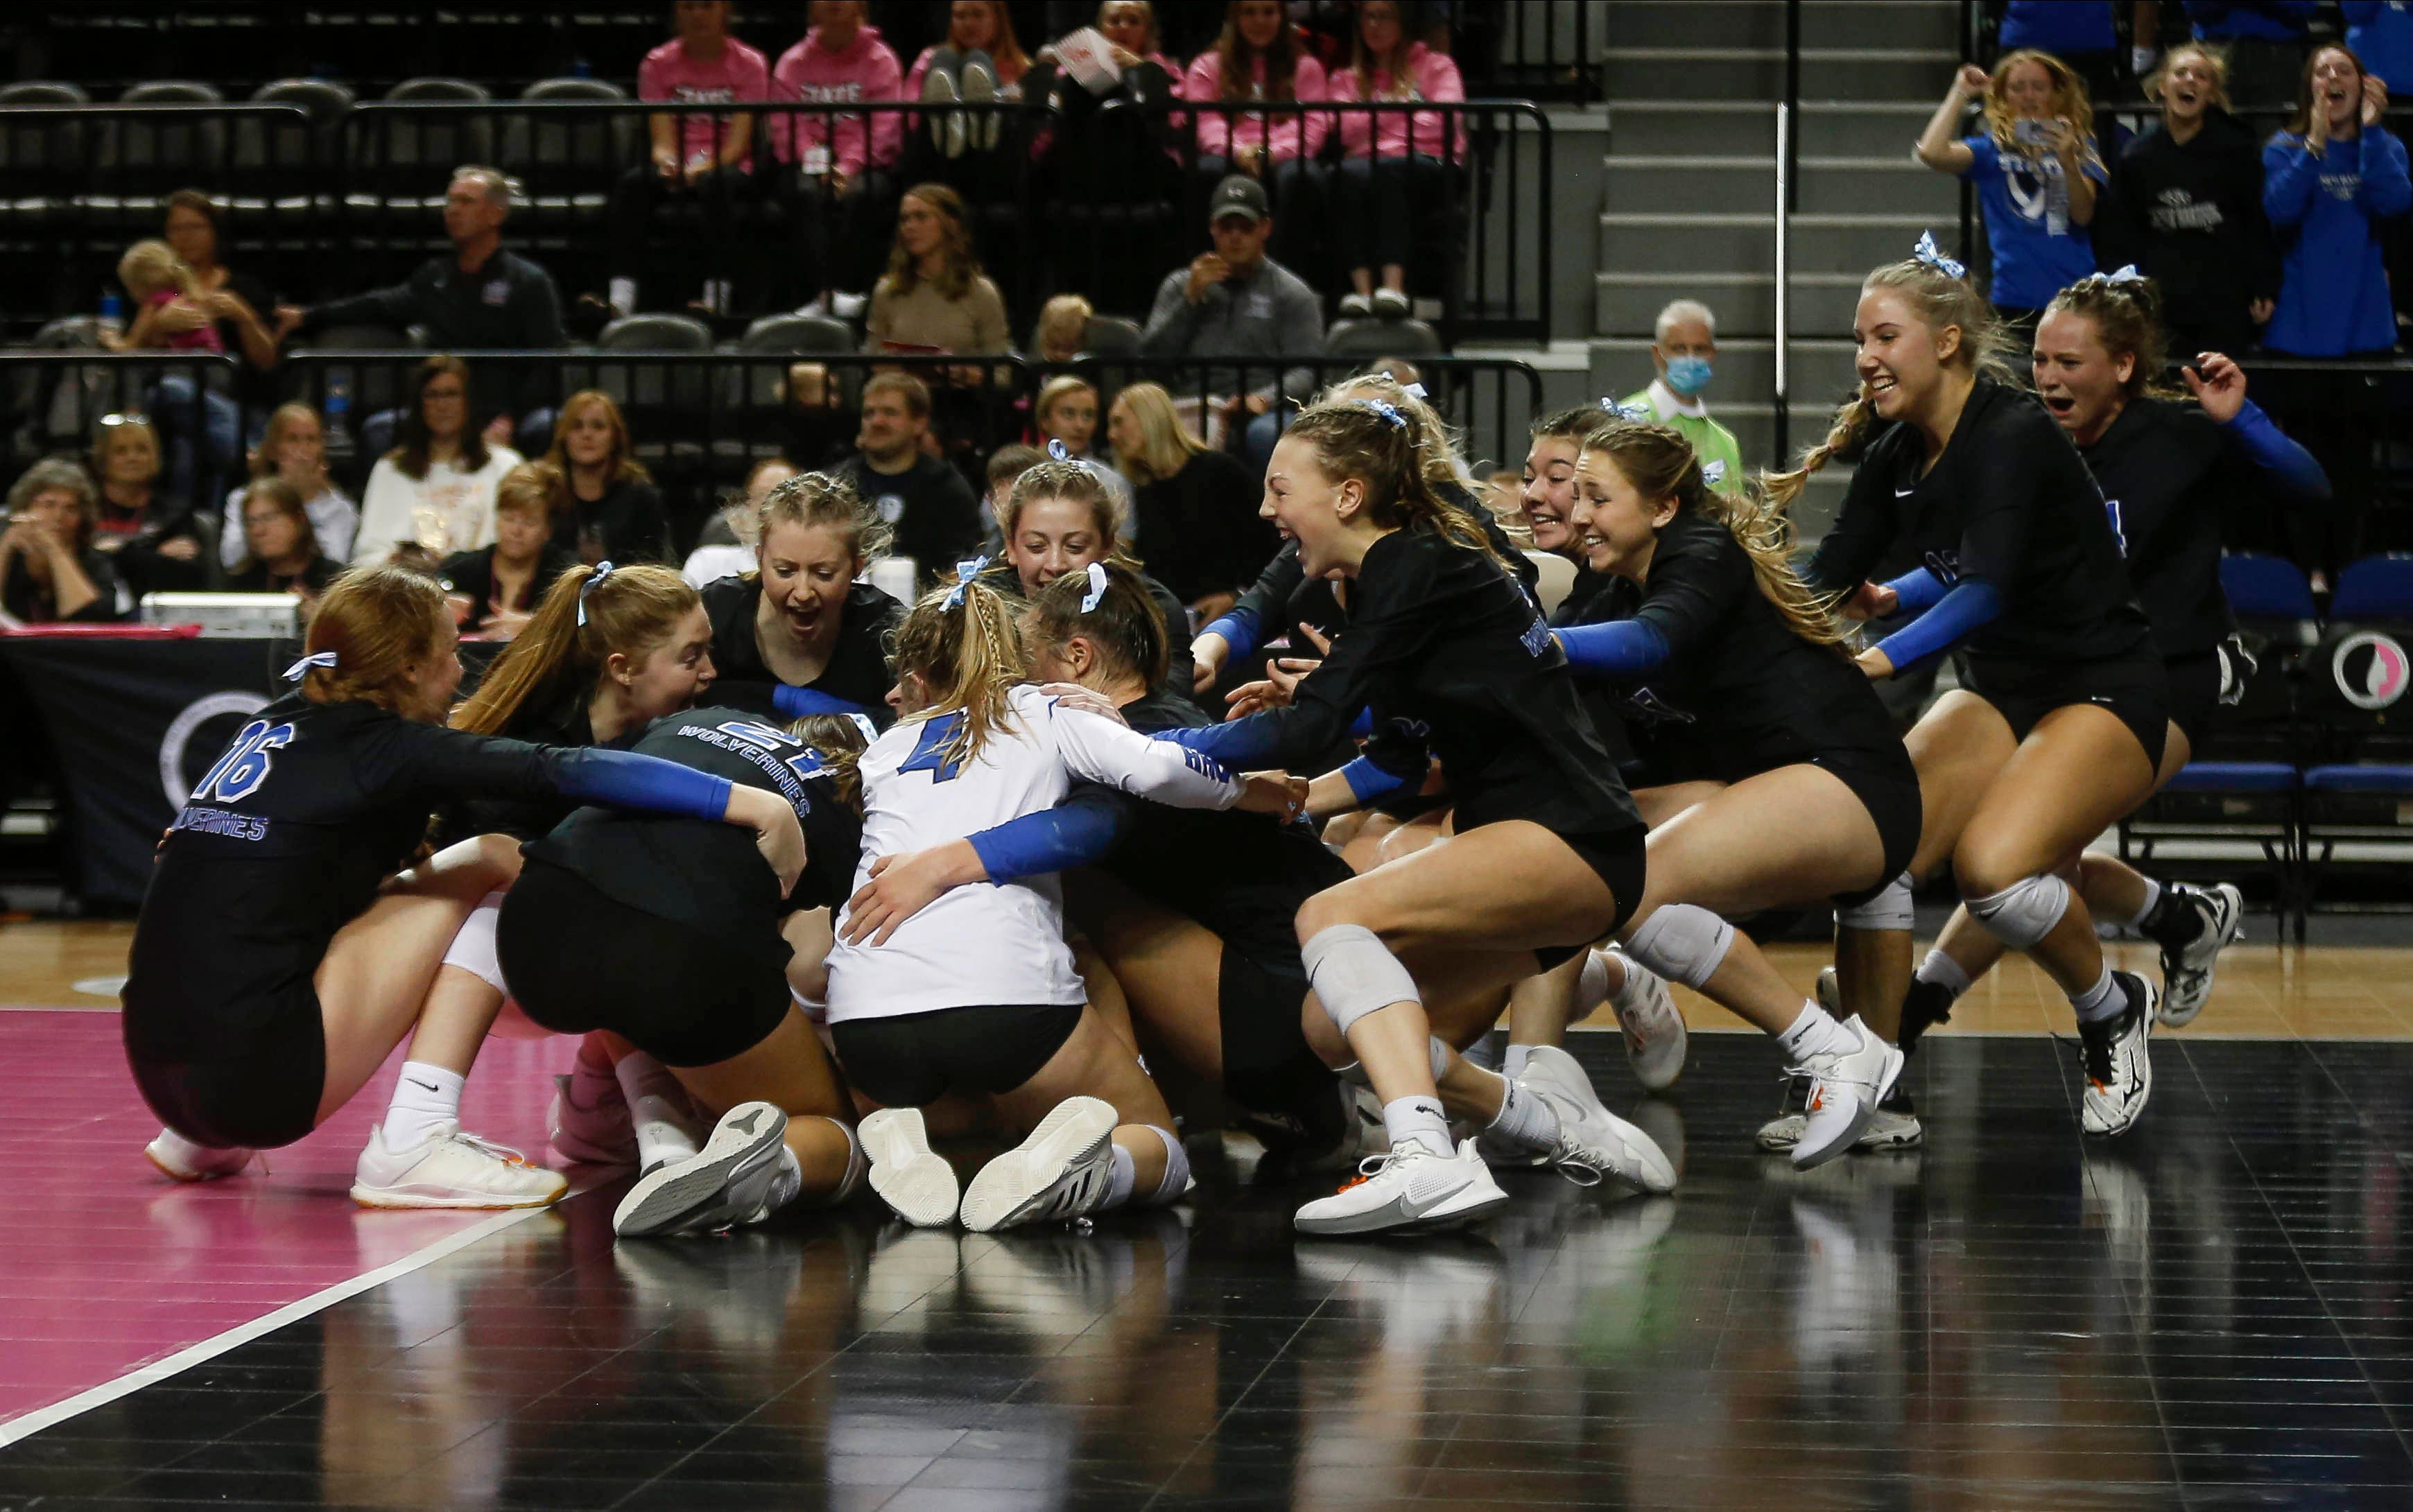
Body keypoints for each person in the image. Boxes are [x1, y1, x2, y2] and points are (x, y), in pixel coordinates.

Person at [1148, 398, 1675, 1236]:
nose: (1265, 510)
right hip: (1549, 847)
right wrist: (1288, 795)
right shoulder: (1388, 578)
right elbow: (1399, 752)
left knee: (1329, 912)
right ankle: (1539, 1120)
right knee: (1328, 1029)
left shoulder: (1414, 563)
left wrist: (1152, 750)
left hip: (1572, 833)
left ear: (1348, 496)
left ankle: (1426, 1157)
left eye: (1281, 489)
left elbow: (1315, 723)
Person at [124, 566, 806, 1207]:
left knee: (279, 904)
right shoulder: (386, 747)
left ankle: (199, 1142)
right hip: (258, 1083)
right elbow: (568, 770)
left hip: (162, 1073)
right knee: (498, 859)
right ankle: (415, 1139)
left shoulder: (272, 722)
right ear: (410, 666)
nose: (459, 672)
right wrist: (752, 804)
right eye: (450, 651)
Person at [1785, 240, 2171, 1145]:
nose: (1865, 356)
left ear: (1948, 342)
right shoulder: (1895, 451)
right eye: (1858, 339)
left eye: (1886, 336)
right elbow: (1826, 575)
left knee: (1994, 871)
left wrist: (1875, 662)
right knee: (1869, 840)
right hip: (2000, 688)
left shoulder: (2015, 431)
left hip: (2101, 686)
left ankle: (2111, 1008)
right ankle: (1869, 1082)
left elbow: (1989, 586)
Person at [1889, 272, 2319, 1050]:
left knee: (2021, 859)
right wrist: (1890, 597)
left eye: (2070, 363)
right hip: (2055, 673)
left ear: (2123, 366)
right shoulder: (2022, 440)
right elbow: (1974, 560)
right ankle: (2182, 916)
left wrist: (2241, 418)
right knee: (2017, 859)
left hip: (2167, 674)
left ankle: (1919, 1009)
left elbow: (2312, 489)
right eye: (2041, 361)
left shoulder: (2178, 436)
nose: (2049, 377)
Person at [820, 573, 1295, 1232]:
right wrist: (1248, 793)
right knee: (1158, 1146)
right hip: (1001, 995)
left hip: (865, 1014)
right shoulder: (1049, 709)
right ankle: (1079, 1165)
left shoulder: (885, 747)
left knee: (983, 1118)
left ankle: (905, 1137)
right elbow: (1159, 768)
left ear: (921, 677)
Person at [1546, 419, 1926, 1165]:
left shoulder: (1701, 550)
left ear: (1661, 507)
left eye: (1597, 496)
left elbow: (1652, 642)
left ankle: (1832, 1054)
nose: (1576, 511)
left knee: (1635, 883)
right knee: (1574, 848)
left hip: (1847, 780)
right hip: (1761, 787)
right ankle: (1577, 1023)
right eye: (1574, 493)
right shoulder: (1608, 581)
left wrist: (1534, 647)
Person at [275, 168, 567, 446]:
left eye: (465, 202)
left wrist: (509, 419)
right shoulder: (434, 278)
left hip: (504, 410)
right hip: (441, 411)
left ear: (496, 214)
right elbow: (377, 304)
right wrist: (308, 316)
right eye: (450, 201)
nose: (452, 210)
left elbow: (548, 360)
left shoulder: (529, 281)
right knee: (379, 430)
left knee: (544, 425)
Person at [2260, 43, 2409, 584]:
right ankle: (2305, 572)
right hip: (2300, 335)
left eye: (2343, 70)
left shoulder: (2385, 146)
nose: (2332, 78)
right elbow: (2279, 209)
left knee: (2355, 469)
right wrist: (2316, 145)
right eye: (2321, 71)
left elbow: (2394, 202)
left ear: (2364, 85)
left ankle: (2348, 573)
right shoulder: (2284, 147)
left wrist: (2369, 135)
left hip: (2363, 332)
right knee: (2300, 463)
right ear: (2310, 88)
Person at [2099, 44, 2278, 358]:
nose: (2190, 81)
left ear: (2212, 93)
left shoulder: (2236, 148)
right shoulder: (2137, 155)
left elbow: (2255, 220)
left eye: (2202, 76)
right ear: (2162, 87)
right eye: (2180, 73)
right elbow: (2122, 231)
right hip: (2161, 300)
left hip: (2223, 298)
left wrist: (2262, 284)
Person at [1138, 174, 1326, 473]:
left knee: (1266, 434)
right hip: (1188, 402)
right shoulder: (1180, 285)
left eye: (1246, 227)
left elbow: (1307, 369)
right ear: (1213, 228)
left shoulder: (1292, 292)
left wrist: (1263, 398)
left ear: (1265, 228)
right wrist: (1190, 302)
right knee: (1145, 427)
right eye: (1227, 228)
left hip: (1257, 410)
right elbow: (1150, 360)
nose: (1235, 237)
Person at [1916, 52, 2109, 322]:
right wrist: (1960, 92)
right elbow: (1931, 152)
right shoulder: (1990, 149)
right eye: (2017, 88)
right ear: (2004, 96)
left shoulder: (2079, 146)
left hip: (2074, 294)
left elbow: (2083, 214)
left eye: (2039, 87)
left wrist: (2067, 162)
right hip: (2012, 296)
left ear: (2055, 94)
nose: (2028, 96)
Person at [980, 455, 1195, 696]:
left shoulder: (1152, 611)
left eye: (1075, 547)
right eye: (1036, 547)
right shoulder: (982, 613)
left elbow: (1170, 704)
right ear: (1011, 547)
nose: (1055, 565)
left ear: (1107, 547)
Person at [700, 469, 906, 719]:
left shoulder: (887, 630)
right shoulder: (714, 614)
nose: (803, 592)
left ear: (856, 567)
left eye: (824, 574)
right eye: (785, 571)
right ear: (760, 559)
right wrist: (781, 697)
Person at [607, 0, 767, 319]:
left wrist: (701, 169)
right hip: (678, 161)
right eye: (688, 7)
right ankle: (620, 296)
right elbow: (662, 140)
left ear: (725, 11)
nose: (697, 15)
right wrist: (670, 165)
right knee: (632, 185)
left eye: (706, 6)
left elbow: (737, 145)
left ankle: (716, 295)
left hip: (728, 167)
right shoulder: (658, 62)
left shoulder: (750, 63)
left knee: (714, 184)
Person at [1323, 0, 1465, 318]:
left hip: (1430, 163)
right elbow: (1345, 130)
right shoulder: (1345, 78)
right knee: (1343, 173)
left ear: (1403, 23)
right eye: (1369, 17)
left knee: (1390, 169)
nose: (1374, 25)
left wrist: (1373, 115)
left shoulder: (1436, 67)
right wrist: (1403, 109)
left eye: (1384, 17)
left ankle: (1393, 287)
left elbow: (1442, 123)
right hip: (1367, 163)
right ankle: (1361, 292)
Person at [770, 1, 906, 316]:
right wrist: (815, 166)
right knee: (804, 193)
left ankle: (850, 292)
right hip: (805, 164)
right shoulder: (793, 62)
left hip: (866, 164)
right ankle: (821, 295)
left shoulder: (881, 59)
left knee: (862, 194)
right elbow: (784, 124)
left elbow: (884, 125)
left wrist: (847, 167)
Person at [1106, 380, 1277, 624]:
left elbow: (1272, 549)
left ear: (1149, 418)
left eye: (1119, 422)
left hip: (1240, 620)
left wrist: (1237, 596)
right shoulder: (1140, 491)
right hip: (1176, 624)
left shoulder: (1221, 473)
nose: (1111, 435)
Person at [1182, 1, 1331, 275]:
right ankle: (1212, 273)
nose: (1259, 21)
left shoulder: (1306, 66)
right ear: (1235, 18)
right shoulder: (1208, 65)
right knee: (1207, 170)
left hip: (1284, 156)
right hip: (1230, 153)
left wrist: (1270, 153)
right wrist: (1240, 152)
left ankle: (1283, 278)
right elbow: (1205, 121)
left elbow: (1313, 124)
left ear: (1282, 17)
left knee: (1301, 176)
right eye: (1249, 12)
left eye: (1268, 12)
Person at [352, 356, 524, 569]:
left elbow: (519, 546)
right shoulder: (390, 469)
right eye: (432, 395)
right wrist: (400, 561)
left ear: (468, 402)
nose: (442, 405)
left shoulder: (504, 465)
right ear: (419, 404)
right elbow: (367, 555)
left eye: (451, 394)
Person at [833, 373, 985, 586]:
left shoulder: (948, 489)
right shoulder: (837, 485)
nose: (877, 421)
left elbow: (966, 564)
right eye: (869, 413)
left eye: (890, 412)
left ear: (919, 423)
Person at [862, 182, 1011, 357]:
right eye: (905, 219)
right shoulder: (888, 291)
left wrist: (964, 374)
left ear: (951, 224)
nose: (909, 227)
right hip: (900, 384)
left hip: (960, 384)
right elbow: (870, 362)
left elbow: (1002, 373)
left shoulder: (981, 292)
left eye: (921, 217)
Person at [437, 464, 577, 641]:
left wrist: (536, 628)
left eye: (530, 522)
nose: (516, 531)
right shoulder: (459, 569)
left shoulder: (567, 578)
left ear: (548, 529)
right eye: (508, 518)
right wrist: (438, 612)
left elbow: (588, 634)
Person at [1619, 299, 1745, 493]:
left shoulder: (1726, 442)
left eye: (1700, 349)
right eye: (1679, 349)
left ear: (1712, 354)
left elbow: (1735, 517)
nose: (1690, 358)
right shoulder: (1627, 419)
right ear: (1657, 353)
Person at [221, 403, 357, 571]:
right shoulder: (243, 498)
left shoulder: (339, 507)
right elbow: (232, 559)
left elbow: (334, 563)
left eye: (311, 439)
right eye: (292, 439)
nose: (303, 450)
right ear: (273, 450)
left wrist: (306, 500)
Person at [539, 390, 668, 565]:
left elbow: (653, 568)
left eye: (598, 426)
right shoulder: (546, 492)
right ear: (564, 437)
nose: (587, 435)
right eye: (577, 427)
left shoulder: (642, 498)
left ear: (615, 437)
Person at [87, 412, 205, 596]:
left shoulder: (175, 514)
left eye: (142, 450)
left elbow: (186, 576)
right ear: (103, 459)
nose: (132, 458)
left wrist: (119, 551)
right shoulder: (86, 510)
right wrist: (156, 555)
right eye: (121, 451)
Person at [0, 458, 122, 623]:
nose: (59, 517)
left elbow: (88, 620)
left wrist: (54, 549)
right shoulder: (8, 556)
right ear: (24, 510)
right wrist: (6, 546)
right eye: (49, 505)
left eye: (71, 509)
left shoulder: (96, 563)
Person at [684, 455, 795, 587]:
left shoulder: (808, 569)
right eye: (761, 495)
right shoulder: (706, 562)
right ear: (747, 504)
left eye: (782, 497)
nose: (768, 504)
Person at [225, 477, 342, 601]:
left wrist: (319, 616)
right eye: (251, 522)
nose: (257, 531)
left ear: (299, 519)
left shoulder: (336, 582)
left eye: (268, 518)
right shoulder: (235, 587)